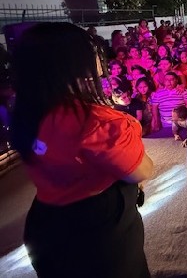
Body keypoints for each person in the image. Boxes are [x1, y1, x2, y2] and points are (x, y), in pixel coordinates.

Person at [9, 22, 154, 278]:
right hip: (99, 230)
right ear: (69, 62)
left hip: (45, 222)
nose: (98, 53)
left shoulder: (26, 114)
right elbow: (141, 171)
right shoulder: (100, 123)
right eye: (90, 48)